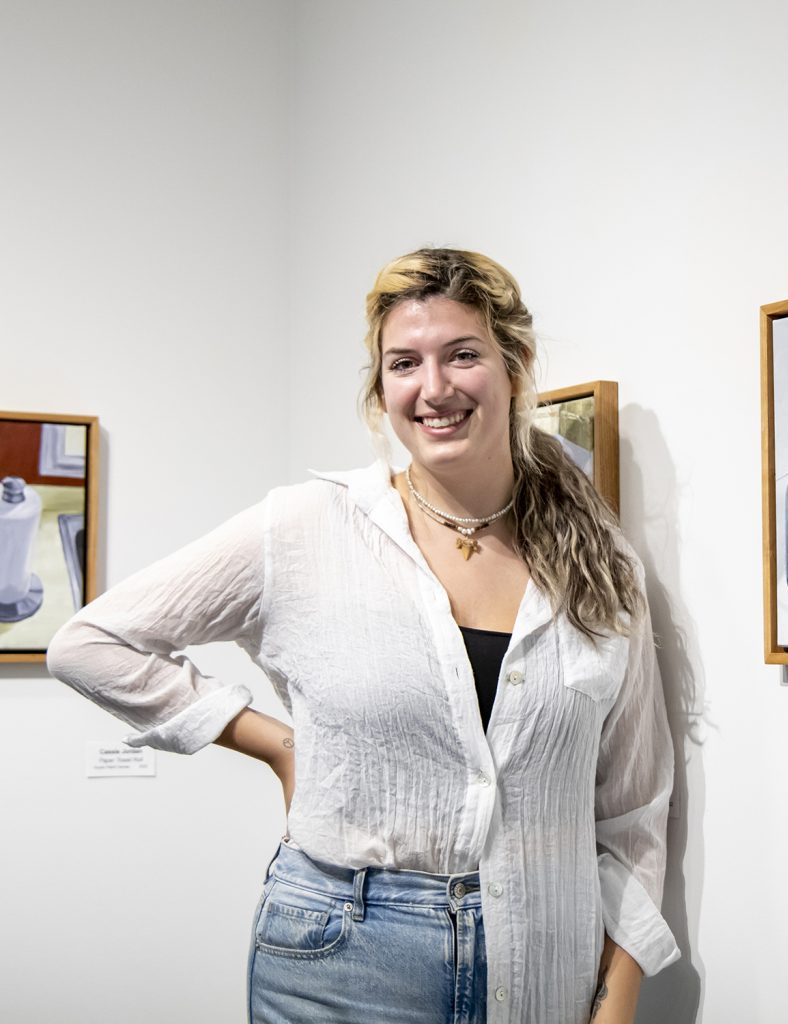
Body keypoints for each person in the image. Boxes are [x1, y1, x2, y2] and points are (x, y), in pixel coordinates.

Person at [47, 248, 681, 1023]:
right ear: (380, 388)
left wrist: (617, 1003)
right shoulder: (307, 527)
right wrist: (276, 743)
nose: (434, 387)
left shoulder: (599, 561)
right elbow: (91, 642)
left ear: (514, 366)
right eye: (404, 362)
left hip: (548, 955)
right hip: (344, 955)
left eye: (463, 355)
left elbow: (634, 811)